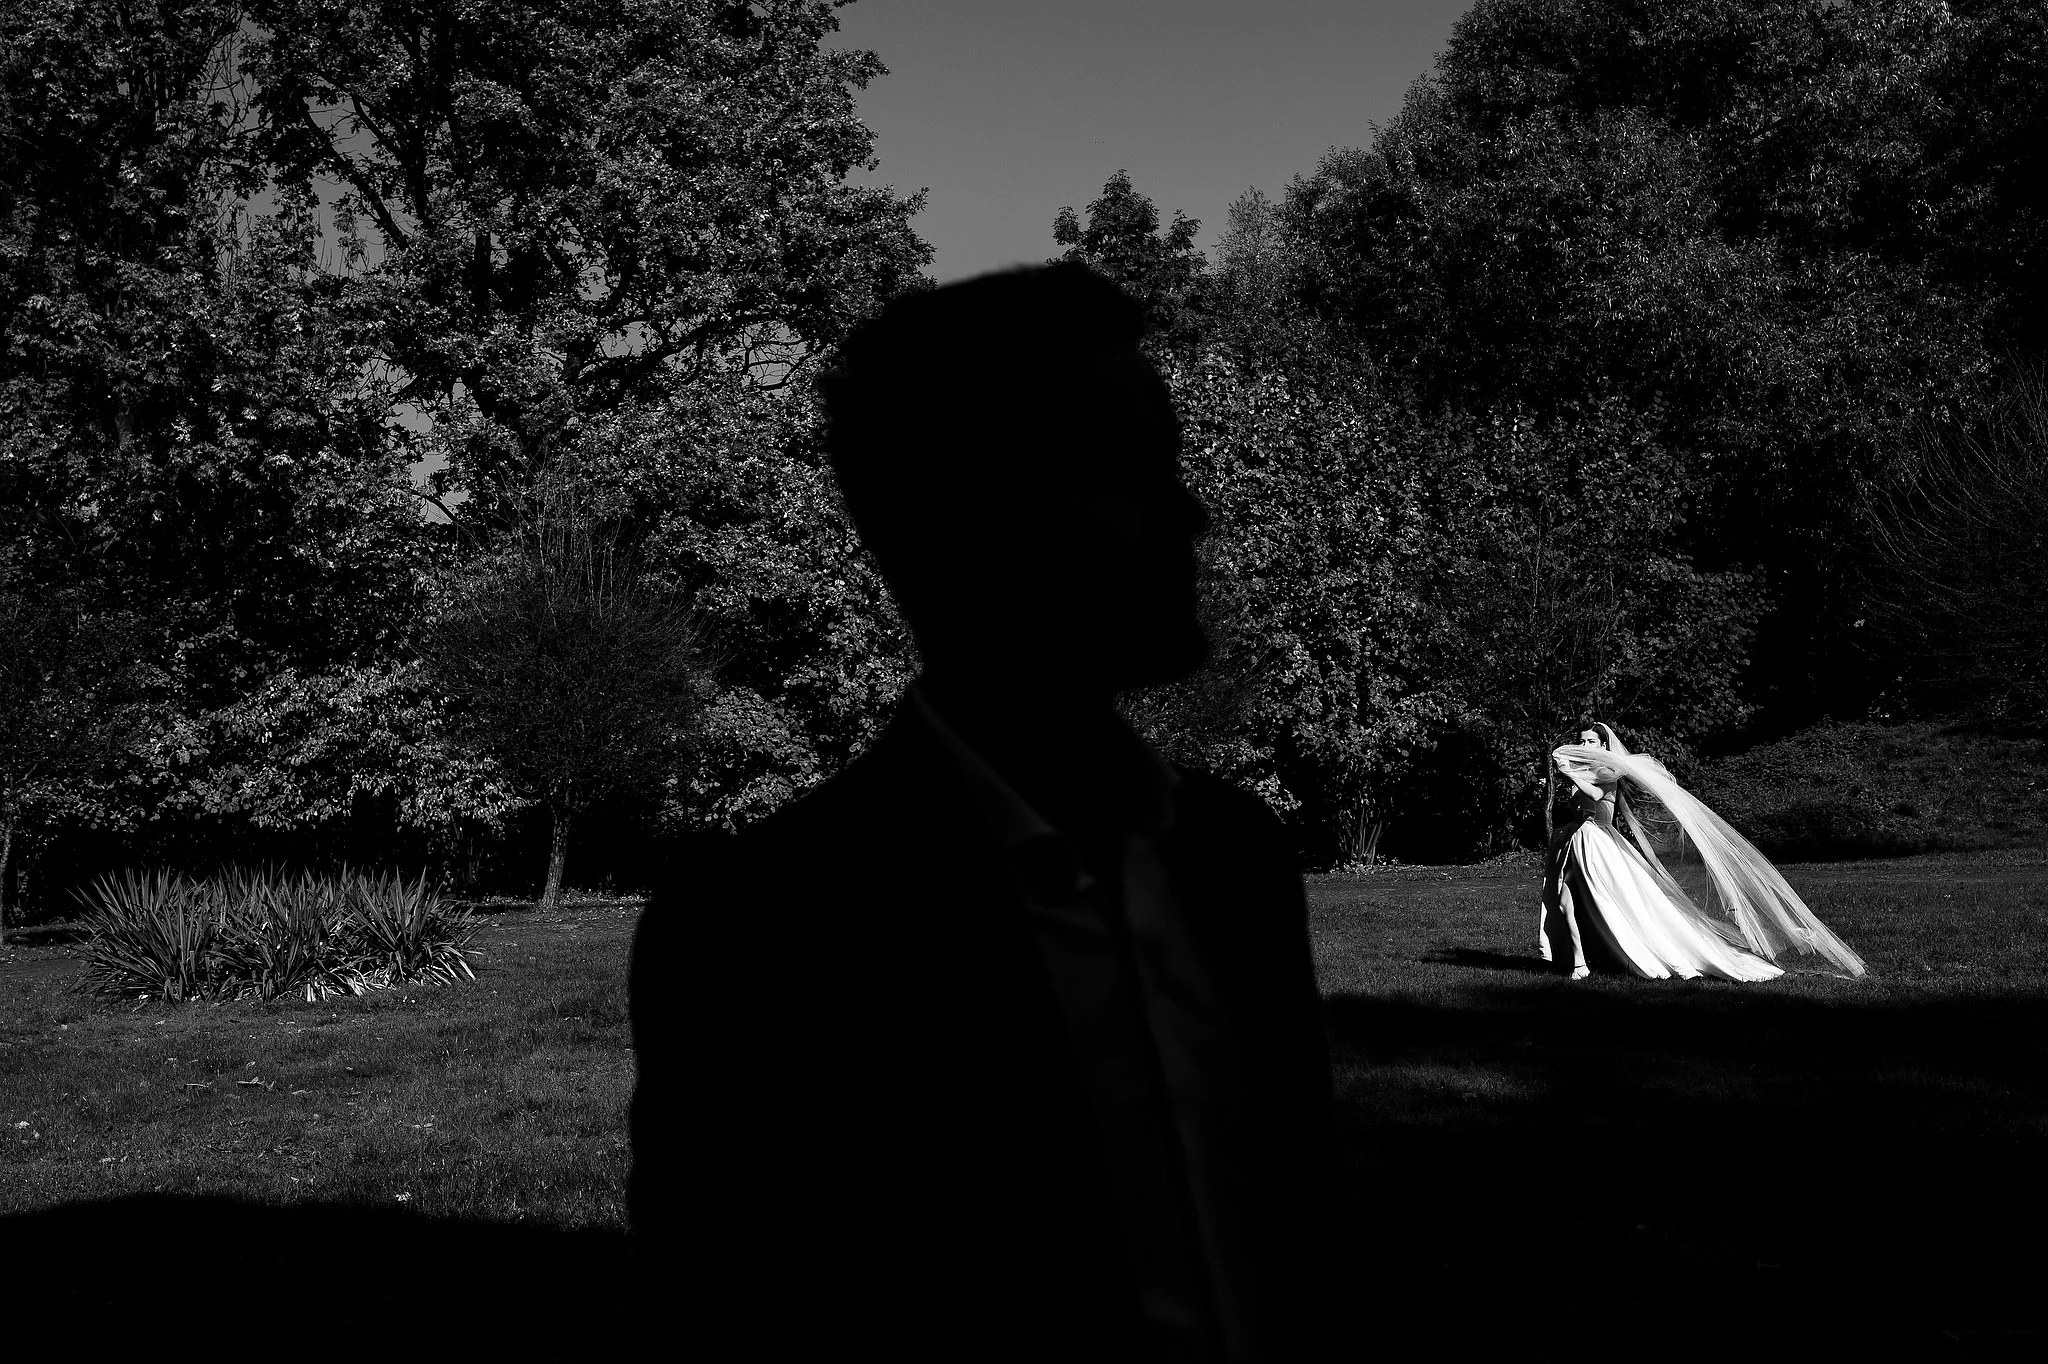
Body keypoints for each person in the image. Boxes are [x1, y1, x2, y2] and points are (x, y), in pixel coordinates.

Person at [628, 264, 1347, 1362]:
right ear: (962, 522)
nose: (1189, 511)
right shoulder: (763, 933)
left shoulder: (1233, 858)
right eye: (1122, 468)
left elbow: (1304, 1234)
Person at [1540, 723, 1866, 981]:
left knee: (1614, 901)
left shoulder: (1607, 771)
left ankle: (1603, 958)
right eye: (1581, 741)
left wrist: (1569, 772)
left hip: (1597, 841)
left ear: (1603, 746)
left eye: (1591, 742)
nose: (1584, 746)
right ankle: (1580, 961)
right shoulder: (1584, 770)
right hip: (1577, 839)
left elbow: (1596, 797)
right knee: (1565, 900)